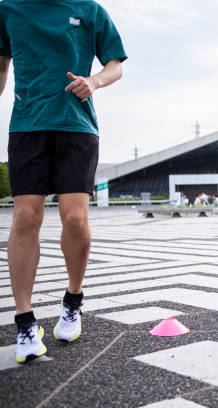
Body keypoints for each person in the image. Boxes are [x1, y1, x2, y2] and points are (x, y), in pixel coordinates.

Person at [0, 0, 127, 362]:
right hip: (27, 126)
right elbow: (1, 68)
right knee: (25, 217)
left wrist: (94, 81)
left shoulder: (89, 9)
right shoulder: (8, 9)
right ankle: (25, 321)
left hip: (77, 127)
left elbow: (115, 65)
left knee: (74, 217)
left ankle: (73, 299)